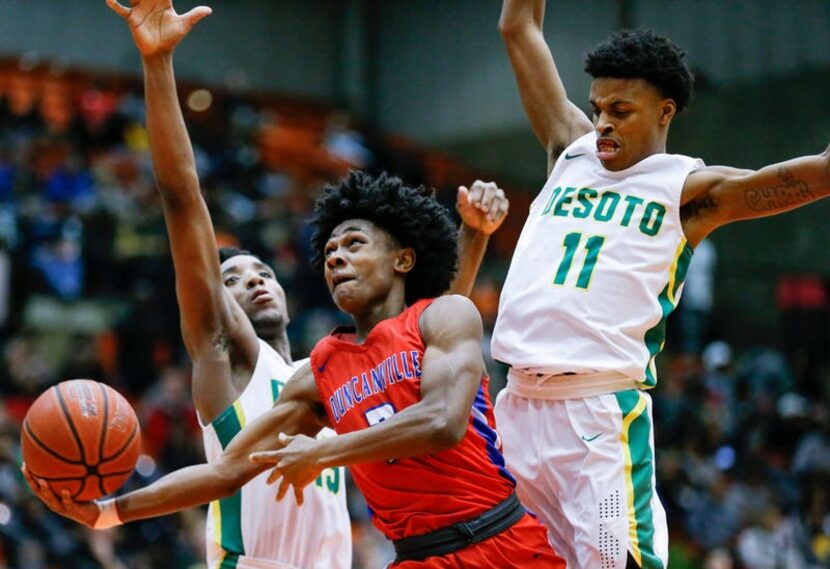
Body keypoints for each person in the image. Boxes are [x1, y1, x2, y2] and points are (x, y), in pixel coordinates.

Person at [87, 1, 510, 568]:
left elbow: (419, 331)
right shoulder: (231, 358)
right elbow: (183, 198)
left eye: (262, 271)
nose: (254, 281)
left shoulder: (326, 374)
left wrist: (473, 236)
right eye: (232, 279)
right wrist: (159, 63)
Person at [25, 171, 563, 568]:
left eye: (353, 244)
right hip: (417, 557)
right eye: (329, 251)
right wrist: (108, 512)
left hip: (504, 539)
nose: (335, 258)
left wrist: (324, 449)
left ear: (403, 258)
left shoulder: (445, 316)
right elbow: (226, 470)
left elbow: (442, 421)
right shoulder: (322, 370)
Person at [493, 1, 830, 568]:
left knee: (613, 560)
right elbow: (517, 26)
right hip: (517, 409)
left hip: (594, 417)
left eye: (621, 110)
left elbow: (815, 175)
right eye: (598, 107)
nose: (602, 122)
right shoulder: (568, 151)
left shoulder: (688, 191)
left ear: (665, 112)